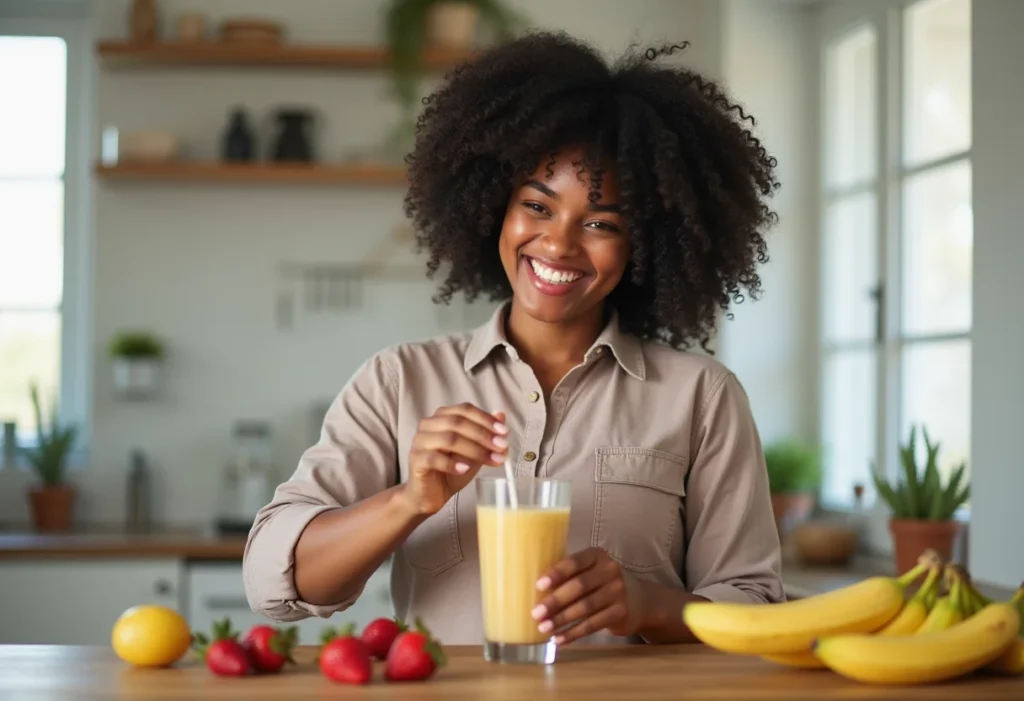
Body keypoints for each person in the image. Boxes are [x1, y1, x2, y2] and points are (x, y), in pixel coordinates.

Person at [243, 30, 785, 647]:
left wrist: (647, 606)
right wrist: (409, 499)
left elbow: (755, 608)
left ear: (647, 245)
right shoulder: (398, 381)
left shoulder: (701, 397)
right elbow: (270, 582)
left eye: (602, 222)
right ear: (495, 208)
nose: (558, 244)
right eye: (538, 205)